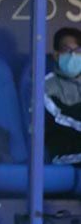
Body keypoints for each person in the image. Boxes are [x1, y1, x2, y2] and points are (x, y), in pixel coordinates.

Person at [45, 26, 81, 165]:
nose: (73, 55)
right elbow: (58, 117)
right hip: (65, 150)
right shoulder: (47, 85)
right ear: (56, 55)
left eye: (78, 50)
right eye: (67, 50)